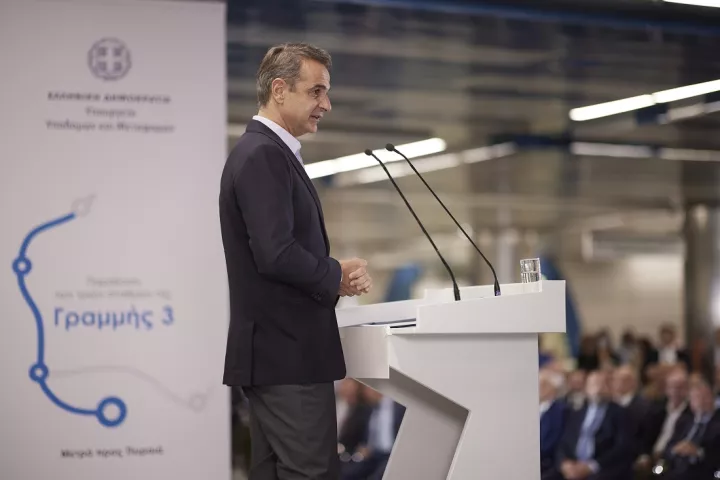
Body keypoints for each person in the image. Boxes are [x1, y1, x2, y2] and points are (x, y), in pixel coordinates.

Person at [219, 42, 373, 480]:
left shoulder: (265, 152)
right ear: (279, 89)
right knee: (310, 473)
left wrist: (331, 272)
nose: (326, 104)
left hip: (277, 356)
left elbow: (276, 249)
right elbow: (275, 253)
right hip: (288, 356)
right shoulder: (263, 154)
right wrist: (334, 274)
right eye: (316, 91)